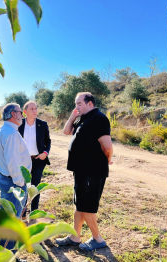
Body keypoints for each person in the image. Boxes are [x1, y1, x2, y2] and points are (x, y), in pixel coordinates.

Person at [56, 92, 113, 252]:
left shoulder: (99, 118)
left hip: (92, 171)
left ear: (90, 103)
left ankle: (97, 239)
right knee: (80, 204)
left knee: (87, 206)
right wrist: (73, 117)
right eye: (76, 104)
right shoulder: (84, 118)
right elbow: (66, 132)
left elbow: (107, 145)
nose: (76, 107)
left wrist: (107, 159)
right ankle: (75, 236)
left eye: (79, 104)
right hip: (81, 170)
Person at [0, 103, 32, 262]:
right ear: (12, 114)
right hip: (13, 182)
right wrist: (20, 183)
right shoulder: (10, 133)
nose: (22, 115)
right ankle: (8, 257)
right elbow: (13, 162)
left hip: (7, 179)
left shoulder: (7, 130)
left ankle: (5, 254)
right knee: (13, 221)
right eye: (19, 112)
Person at [18, 101, 51, 215]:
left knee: (35, 187)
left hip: (37, 160)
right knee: (23, 186)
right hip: (22, 161)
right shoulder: (19, 124)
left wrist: (45, 153)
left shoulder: (43, 124)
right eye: (31, 109)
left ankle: (33, 213)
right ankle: (22, 212)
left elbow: (48, 141)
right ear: (25, 112)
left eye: (36, 108)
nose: (35, 110)